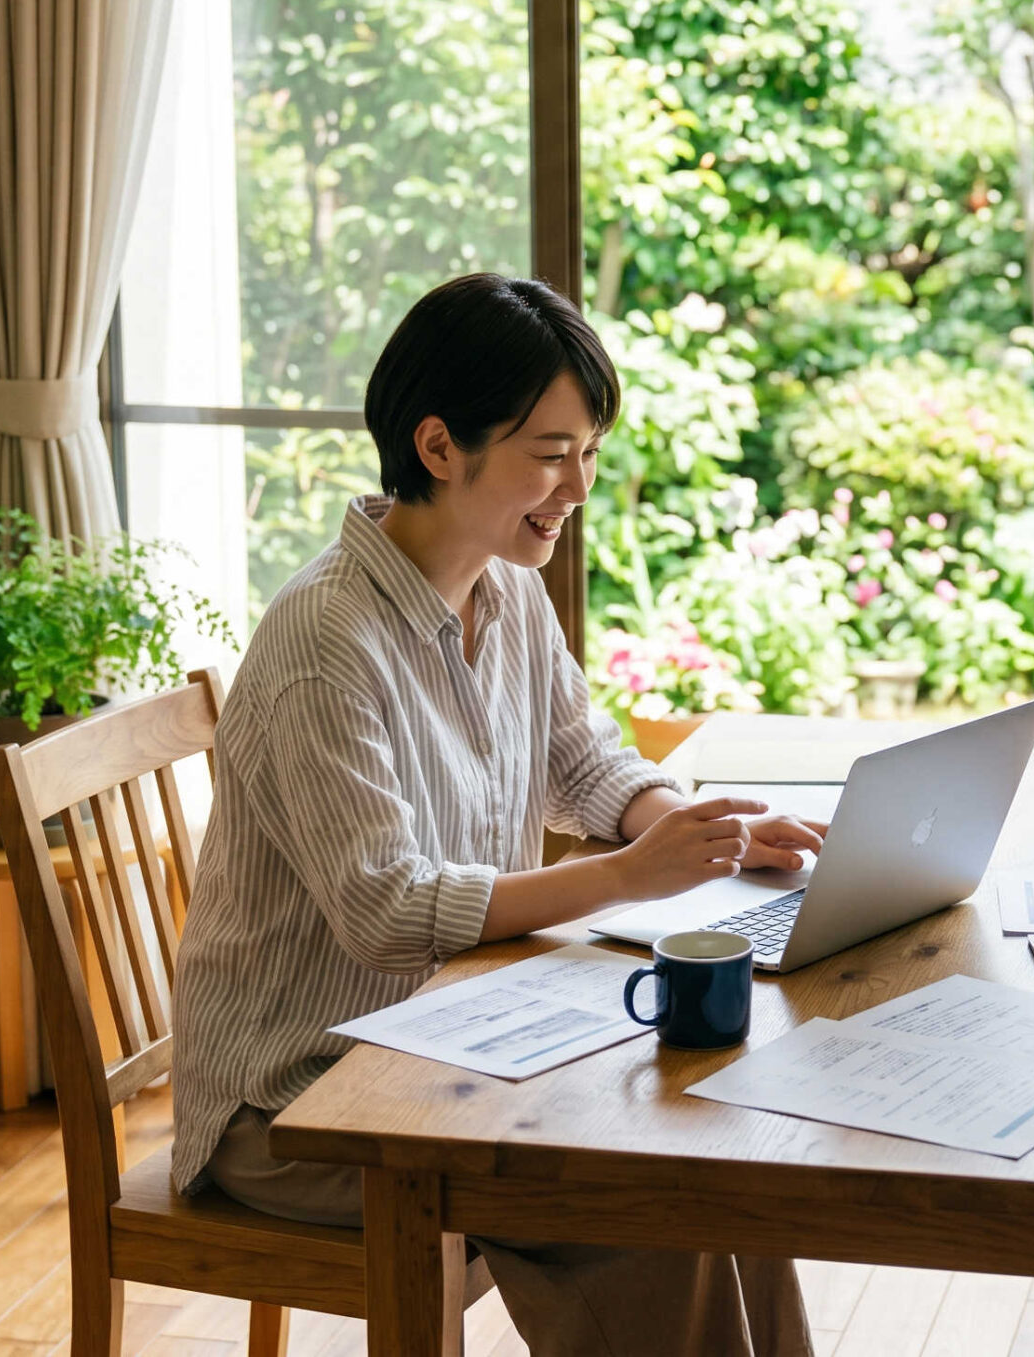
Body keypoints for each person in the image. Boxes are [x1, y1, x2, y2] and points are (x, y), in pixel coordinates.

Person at [173, 272, 824, 1356]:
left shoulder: (507, 587)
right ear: (439, 446)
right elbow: (384, 913)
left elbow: (581, 759)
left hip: (452, 1040)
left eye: (589, 450)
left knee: (724, 1158)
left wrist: (695, 830)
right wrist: (625, 876)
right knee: (635, 1199)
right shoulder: (322, 642)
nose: (578, 483)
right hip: (296, 1104)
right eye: (552, 451)